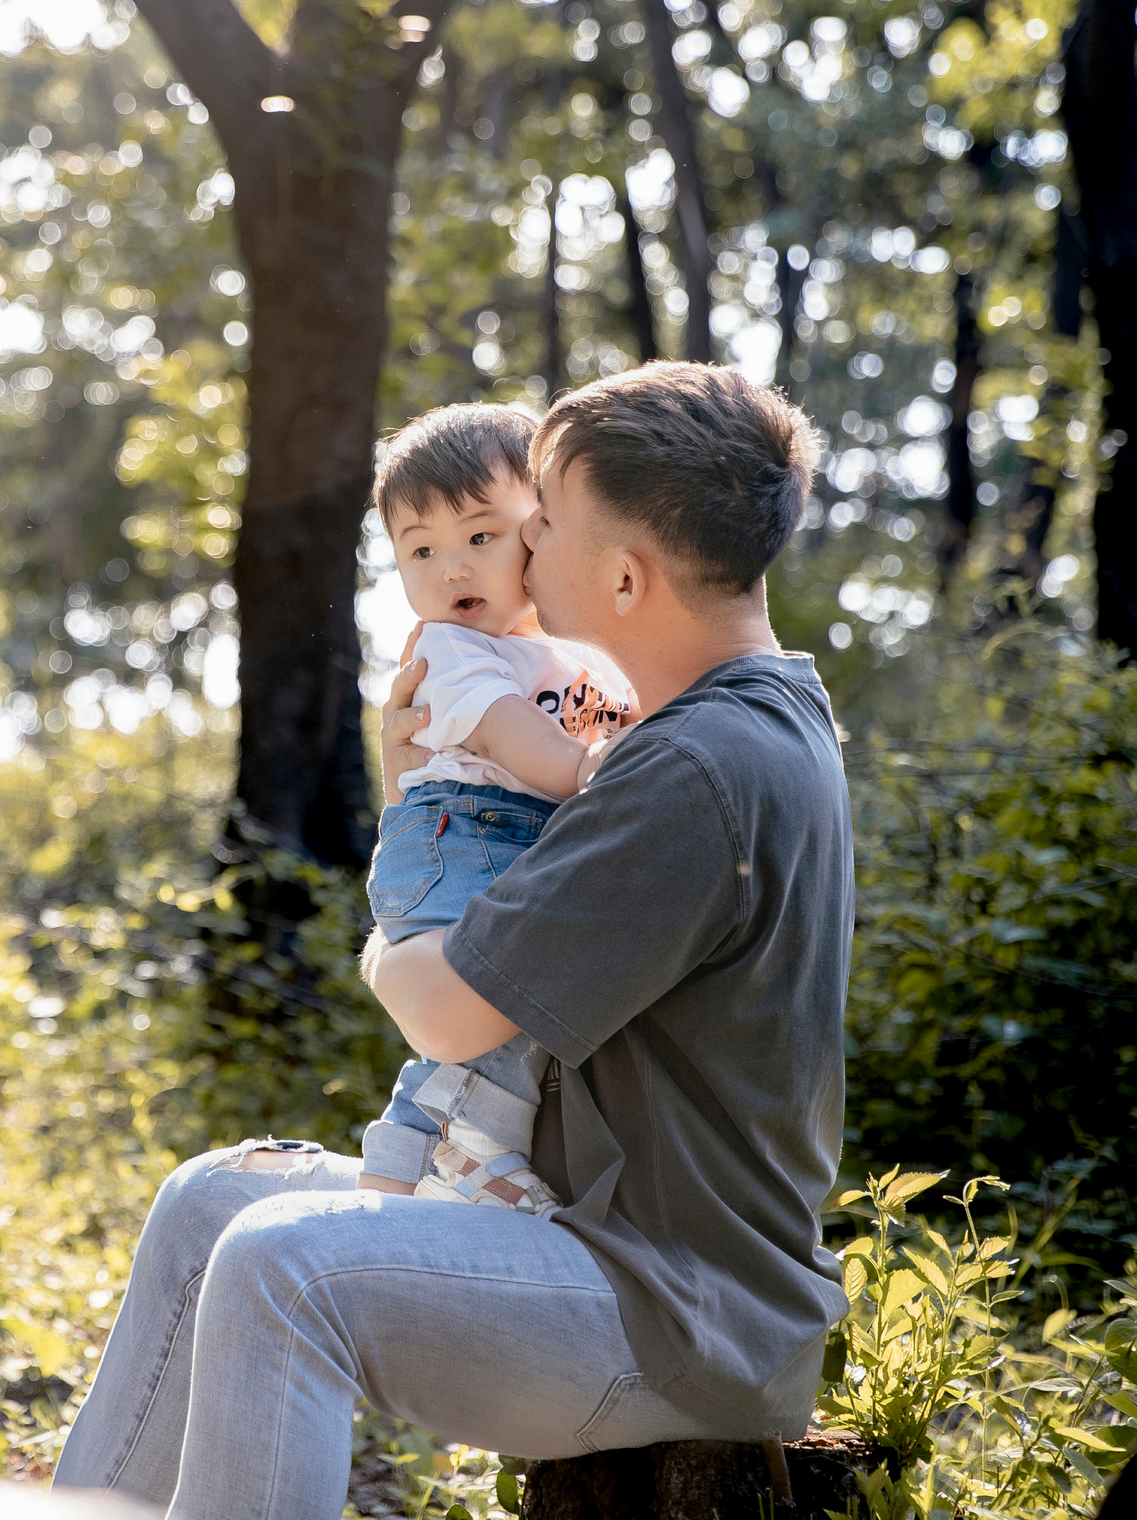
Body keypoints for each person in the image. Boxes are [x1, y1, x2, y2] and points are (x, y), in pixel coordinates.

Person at [50, 362, 853, 1520]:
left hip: (671, 1305)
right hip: (585, 1233)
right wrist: (421, 785)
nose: (518, 556)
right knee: (212, 1200)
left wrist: (394, 904)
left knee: (283, 1268)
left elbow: (441, 1007)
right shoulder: (725, 719)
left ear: (622, 575)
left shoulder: (690, 767)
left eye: (544, 526)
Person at [357, 402, 635, 1213]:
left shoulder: (564, 649)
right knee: (494, 996)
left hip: (491, 837)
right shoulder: (450, 649)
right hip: (458, 839)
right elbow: (524, 744)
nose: (452, 570)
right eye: (422, 550)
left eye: (481, 537)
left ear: (541, 529)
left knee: (510, 1001)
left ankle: (437, 1154)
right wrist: (596, 768)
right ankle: (442, 1152)